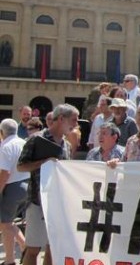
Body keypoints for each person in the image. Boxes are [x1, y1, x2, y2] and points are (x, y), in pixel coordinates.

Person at [18, 104, 78, 265]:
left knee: (53, 248)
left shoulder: (66, 144)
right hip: (37, 201)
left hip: (58, 202)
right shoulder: (37, 139)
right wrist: (43, 162)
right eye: (73, 120)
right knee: (33, 249)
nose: (76, 124)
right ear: (61, 119)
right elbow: (21, 166)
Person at [0, 119, 29, 265]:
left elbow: (4, 172)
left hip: (12, 186)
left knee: (5, 224)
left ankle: (16, 254)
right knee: (8, 223)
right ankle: (16, 254)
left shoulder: (5, 146)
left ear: (2, 132)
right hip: (27, 184)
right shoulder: (23, 143)